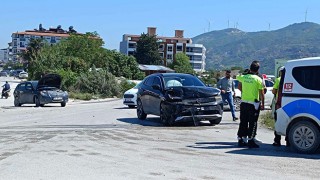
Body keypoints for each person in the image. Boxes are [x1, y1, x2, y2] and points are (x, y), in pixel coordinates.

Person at [236, 61, 265, 148]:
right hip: (253, 103)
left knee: (243, 121)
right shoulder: (258, 79)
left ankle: (240, 139)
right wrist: (263, 104)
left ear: (250, 68)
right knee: (253, 122)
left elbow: (239, 86)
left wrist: (245, 92)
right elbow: (262, 93)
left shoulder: (243, 77)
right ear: (257, 70)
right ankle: (251, 140)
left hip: (244, 102)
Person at [271, 66, 284, 146]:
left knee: (277, 122)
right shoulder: (290, 78)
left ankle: (277, 140)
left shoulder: (279, 79)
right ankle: (288, 141)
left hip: (279, 103)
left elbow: (274, 91)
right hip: (287, 103)